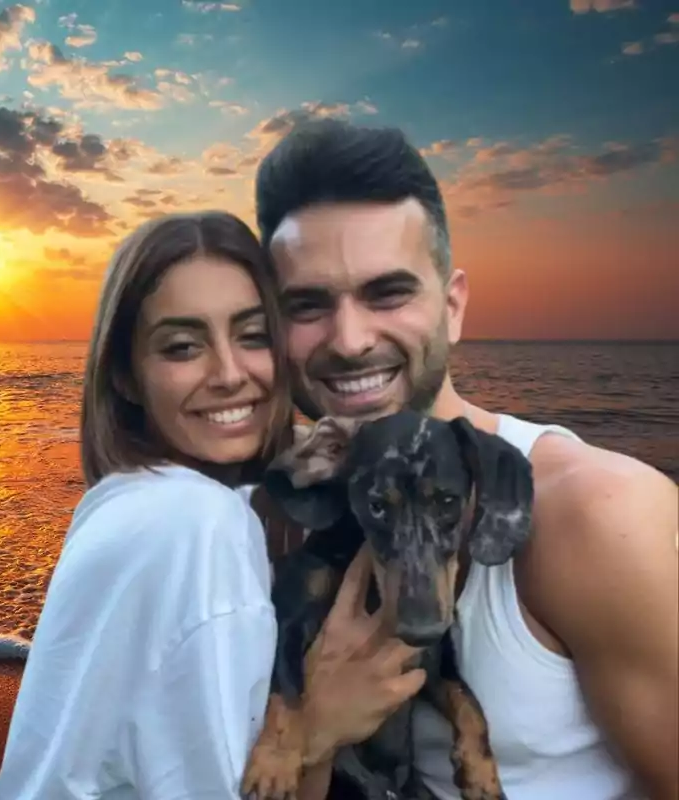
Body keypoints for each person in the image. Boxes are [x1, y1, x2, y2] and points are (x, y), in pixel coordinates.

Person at [253, 117, 679, 800]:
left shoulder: (598, 514)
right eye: (307, 304)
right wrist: (312, 732)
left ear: (452, 307)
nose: (351, 338)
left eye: (387, 292)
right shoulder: (289, 505)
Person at [0, 210, 424, 799]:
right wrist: (316, 729)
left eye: (253, 336)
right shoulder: (200, 527)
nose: (229, 374)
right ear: (126, 377)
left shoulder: (123, 501)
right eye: (184, 346)